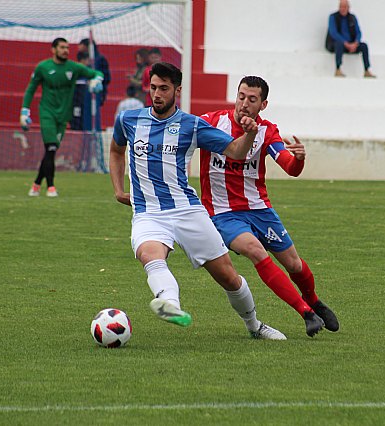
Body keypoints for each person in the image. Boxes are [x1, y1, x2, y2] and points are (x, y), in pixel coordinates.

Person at [109, 62, 286, 340]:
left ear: (177, 90)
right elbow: (116, 150)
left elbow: (236, 152)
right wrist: (119, 189)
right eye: (153, 87)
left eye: (164, 89)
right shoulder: (128, 120)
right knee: (150, 255)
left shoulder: (192, 125)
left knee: (228, 276)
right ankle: (171, 305)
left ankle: (255, 325)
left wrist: (250, 132)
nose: (157, 94)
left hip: (187, 211)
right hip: (148, 213)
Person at [199, 76, 339, 337]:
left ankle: (314, 301)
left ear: (263, 104)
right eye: (241, 96)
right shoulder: (211, 122)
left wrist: (298, 159)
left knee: (294, 265)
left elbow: (289, 166)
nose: (244, 104)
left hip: (260, 210)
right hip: (223, 214)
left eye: (252, 100)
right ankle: (305, 313)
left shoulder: (266, 131)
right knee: (255, 251)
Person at [20, 37, 104, 197]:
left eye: (67, 47)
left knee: (50, 151)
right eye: (62, 47)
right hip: (47, 113)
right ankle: (51, 187)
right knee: (51, 148)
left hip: (64, 116)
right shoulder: (43, 67)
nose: (66, 50)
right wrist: (24, 111)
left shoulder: (73, 67)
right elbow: (31, 89)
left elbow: (97, 73)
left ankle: (37, 184)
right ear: (53, 49)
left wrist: (96, 81)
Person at [326, 0, 375, 78]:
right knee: (339, 44)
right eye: (341, 7)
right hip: (336, 44)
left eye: (345, 7)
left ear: (348, 8)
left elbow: (358, 32)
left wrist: (355, 43)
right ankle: (338, 69)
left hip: (350, 45)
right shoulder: (333, 17)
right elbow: (333, 33)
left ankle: (366, 70)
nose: (343, 9)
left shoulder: (352, 18)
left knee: (364, 46)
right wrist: (345, 43)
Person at [78, 38, 111, 105]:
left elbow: (106, 78)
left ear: (86, 46)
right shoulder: (82, 58)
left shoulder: (100, 59)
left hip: (96, 92)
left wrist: (94, 84)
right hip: (83, 93)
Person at [69, 50, 90, 131]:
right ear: (83, 60)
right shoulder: (76, 70)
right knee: (76, 117)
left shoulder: (88, 71)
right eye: (87, 60)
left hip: (83, 102)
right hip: (76, 101)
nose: (88, 62)